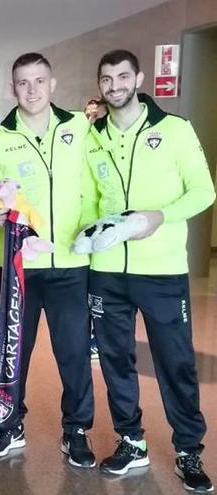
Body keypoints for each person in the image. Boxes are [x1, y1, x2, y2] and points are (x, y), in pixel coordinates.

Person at [86, 49, 213, 492]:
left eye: (123, 76)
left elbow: (203, 191)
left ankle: (188, 451)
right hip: (105, 270)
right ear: (99, 84)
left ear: (138, 77)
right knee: (115, 361)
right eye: (107, 78)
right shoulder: (92, 136)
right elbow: (88, 197)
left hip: (161, 272)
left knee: (175, 362)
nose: (115, 85)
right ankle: (131, 441)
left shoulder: (175, 129)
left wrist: (160, 216)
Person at [0, 53, 97, 465]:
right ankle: (10, 425)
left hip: (71, 264)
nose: (31, 90)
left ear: (53, 83)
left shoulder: (78, 127)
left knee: (74, 351)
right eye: (23, 83)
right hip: (16, 270)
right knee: (12, 349)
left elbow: (96, 182)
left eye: (39, 81)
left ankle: (76, 430)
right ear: (13, 88)